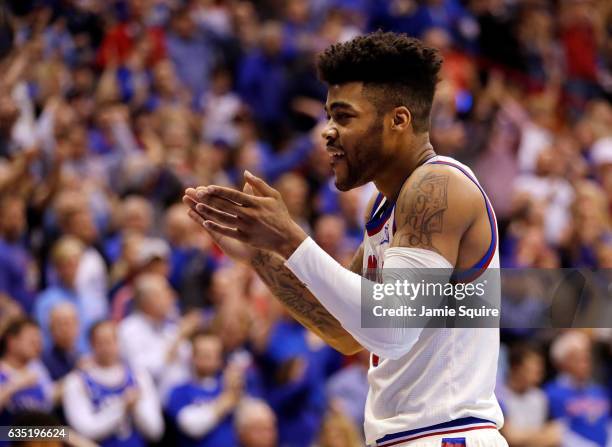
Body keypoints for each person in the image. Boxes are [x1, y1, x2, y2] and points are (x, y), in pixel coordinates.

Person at [185, 31, 507, 446]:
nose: (328, 131)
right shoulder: (384, 203)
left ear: (399, 120)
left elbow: (394, 330)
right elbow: (344, 332)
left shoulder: (438, 186)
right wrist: (261, 257)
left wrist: (290, 241)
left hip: (446, 434)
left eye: (344, 116)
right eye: (328, 116)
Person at [62, 320, 164, 447]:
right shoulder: (76, 381)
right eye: (101, 342)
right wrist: (122, 408)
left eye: (110, 341)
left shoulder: (138, 376)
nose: (107, 347)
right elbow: (85, 431)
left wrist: (136, 408)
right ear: (91, 344)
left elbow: (155, 431)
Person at [165, 329, 244, 447]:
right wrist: (226, 401)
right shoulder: (179, 391)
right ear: (192, 357)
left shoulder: (229, 386)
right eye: (203, 354)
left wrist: (238, 392)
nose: (208, 358)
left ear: (220, 359)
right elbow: (190, 425)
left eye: (213, 354)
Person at [545, 331, 610, 447]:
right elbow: (558, 433)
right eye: (578, 358)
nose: (586, 363)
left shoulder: (598, 390)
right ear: (562, 363)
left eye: (587, 357)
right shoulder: (552, 393)